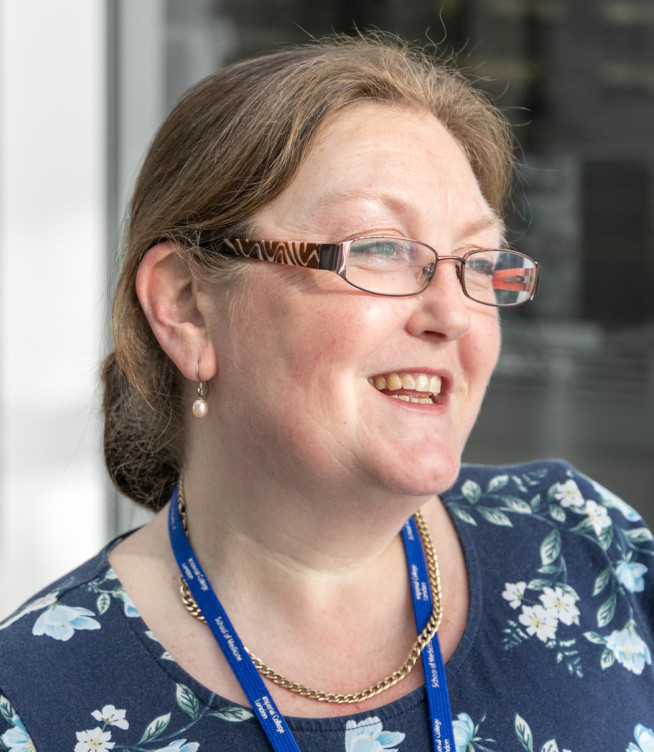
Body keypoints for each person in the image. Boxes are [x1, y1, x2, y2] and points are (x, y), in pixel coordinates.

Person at [0, 33, 652, 752]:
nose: (453, 315)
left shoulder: (584, 543)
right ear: (187, 307)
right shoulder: (32, 709)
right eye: (380, 249)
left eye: (479, 260)